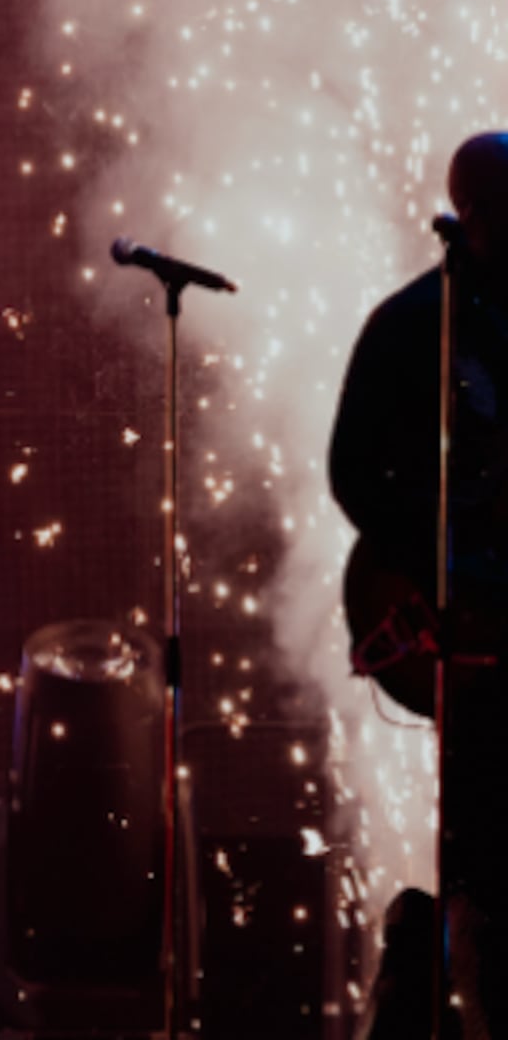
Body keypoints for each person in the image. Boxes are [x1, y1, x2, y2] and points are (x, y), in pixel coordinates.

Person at [331, 133, 508, 1033]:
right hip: (461, 624)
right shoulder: (415, 325)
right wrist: (434, 562)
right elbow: (351, 471)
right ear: (470, 214)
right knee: (483, 855)